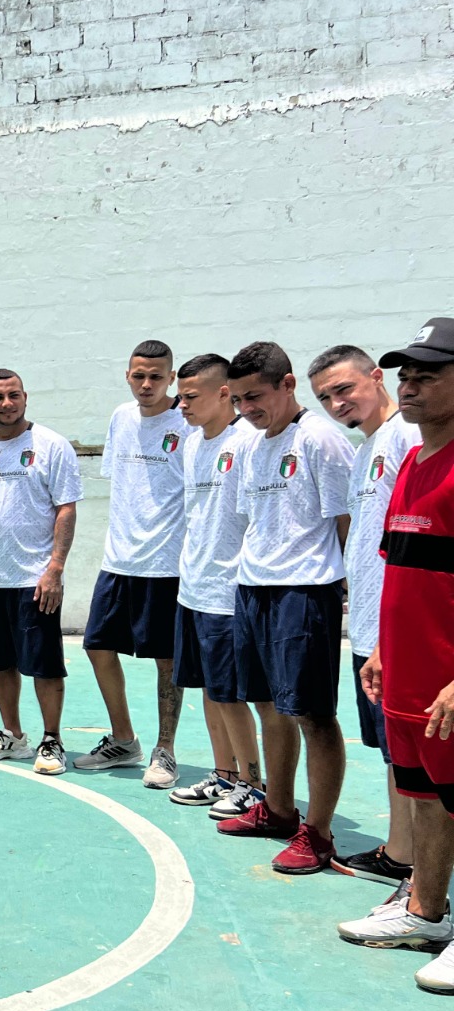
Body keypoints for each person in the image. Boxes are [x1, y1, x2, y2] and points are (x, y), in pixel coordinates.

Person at [344, 316, 454, 992]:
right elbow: (399, 566)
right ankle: (426, 911)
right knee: (423, 799)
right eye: (406, 374)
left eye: (429, 374)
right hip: (408, 675)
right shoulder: (411, 460)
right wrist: (383, 648)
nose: (410, 385)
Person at [217, 341, 354, 875]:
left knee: (313, 714)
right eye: (240, 399)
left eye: (256, 397)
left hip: (305, 592)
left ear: (288, 385)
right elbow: (254, 519)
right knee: (268, 705)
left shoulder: (321, 439)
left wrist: (345, 592)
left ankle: (318, 835)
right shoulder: (249, 445)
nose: (247, 408)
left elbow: (347, 524)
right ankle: (276, 810)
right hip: (254, 588)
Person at [309, 344, 419, 884]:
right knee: (392, 752)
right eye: (326, 397)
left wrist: (391, 632)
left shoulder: (407, 436)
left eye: (344, 388)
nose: (336, 402)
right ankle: (401, 852)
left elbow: (412, 541)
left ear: (377, 378)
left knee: (413, 755)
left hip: (394, 633)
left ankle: (416, 865)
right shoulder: (367, 448)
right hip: (371, 629)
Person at [0, 369, 82, 776]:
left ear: (25, 397)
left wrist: (55, 569)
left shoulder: (52, 446)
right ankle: (13, 735)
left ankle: (52, 739)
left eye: (13, 396)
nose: (6, 404)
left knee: (44, 665)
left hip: (34, 578)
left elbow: (66, 508)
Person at [74, 341, 186, 787]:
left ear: (171, 378)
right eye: (139, 375)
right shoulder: (121, 418)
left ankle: (166, 750)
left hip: (167, 563)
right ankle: (124, 741)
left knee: (167, 662)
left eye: (156, 376)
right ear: (127, 375)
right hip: (119, 560)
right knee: (97, 645)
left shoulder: (187, 422)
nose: (147, 384)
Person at [166, 354, 270, 817]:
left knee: (230, 694)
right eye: (180, 396)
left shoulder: (248, 442)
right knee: (208, 688)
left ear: (224, 393)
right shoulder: (191, 444)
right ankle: (224, 774)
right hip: (194, 587)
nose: (181, 405)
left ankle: (254, 783)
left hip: (230, 592)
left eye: (190, 397)